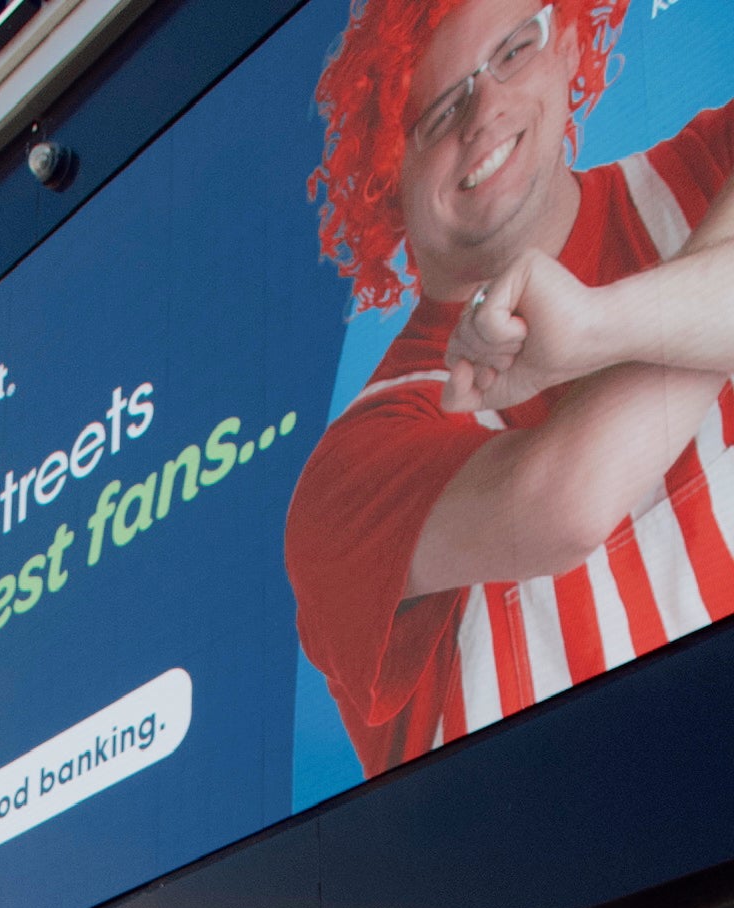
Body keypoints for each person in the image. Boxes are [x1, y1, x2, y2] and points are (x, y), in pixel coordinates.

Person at [285, 0, 734, 777]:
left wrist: (601, 325)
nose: (486, 111)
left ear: (567, 45)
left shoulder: (705, 166)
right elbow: (569, 500)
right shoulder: (347, 477)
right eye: (439, 110)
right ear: (384, 176)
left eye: (513, 52)